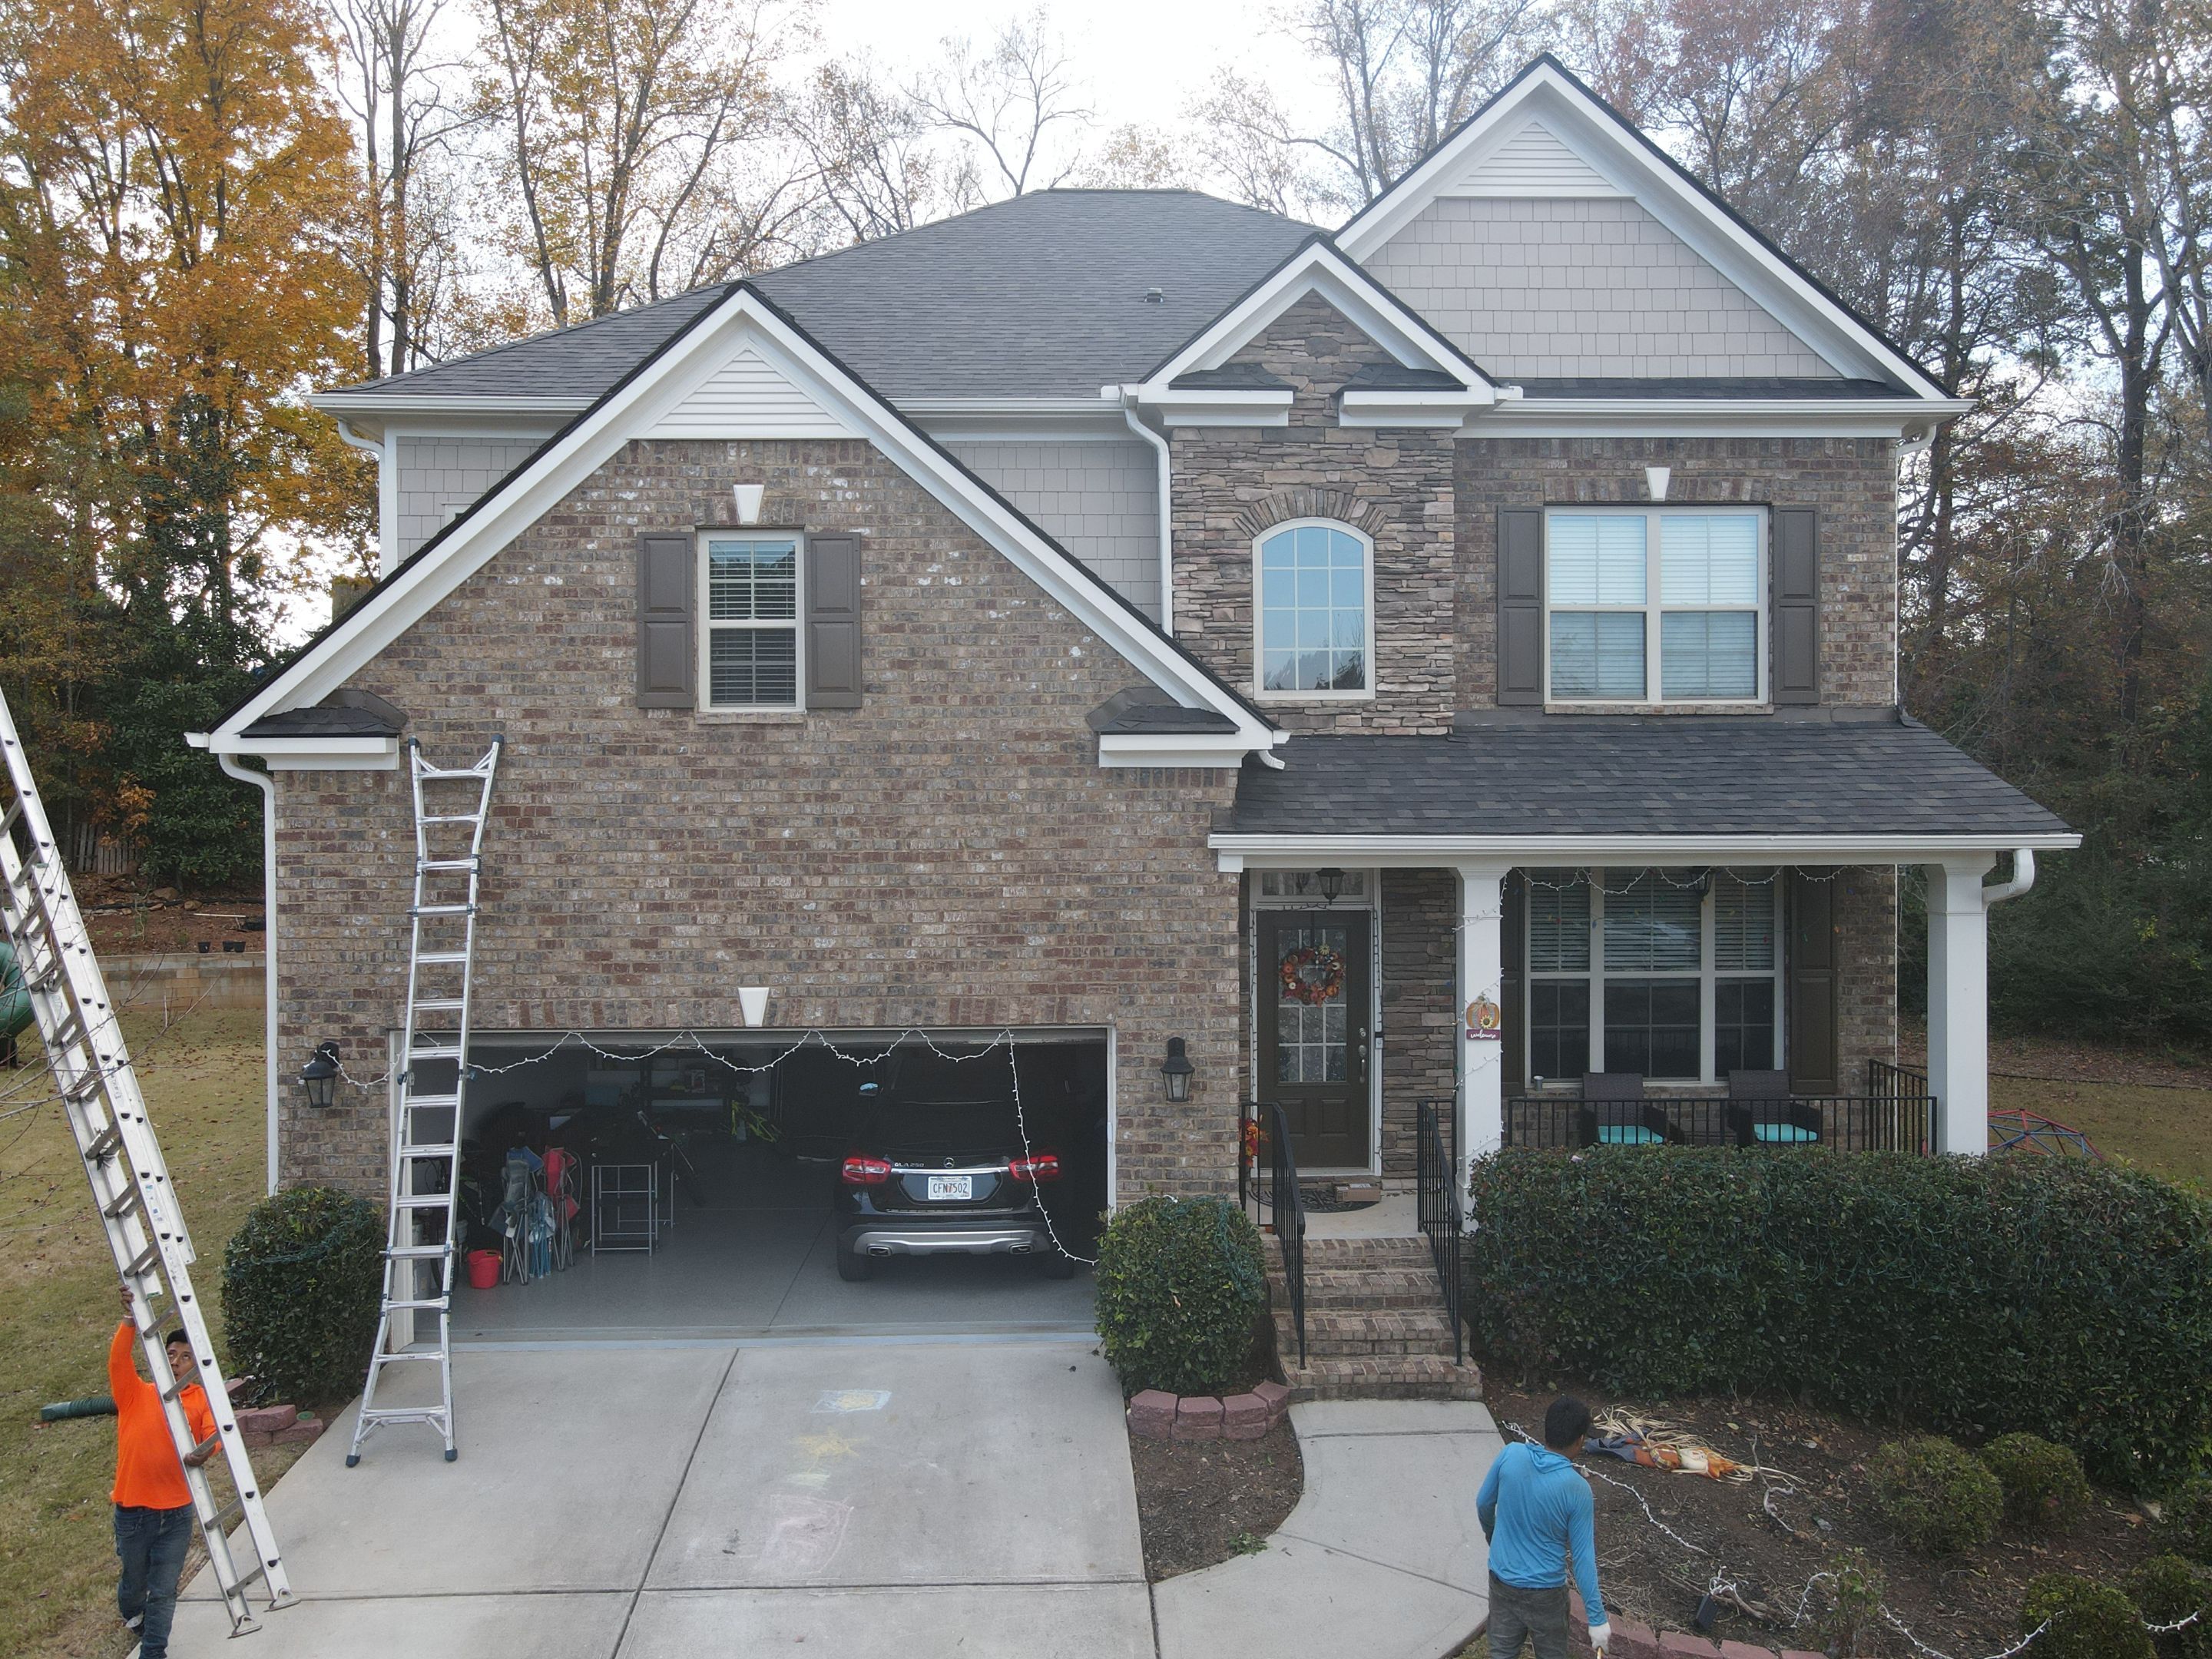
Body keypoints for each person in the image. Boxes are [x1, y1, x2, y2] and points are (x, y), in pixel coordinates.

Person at [110, 1285, 214, 1659]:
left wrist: (204, 1452)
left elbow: (213, 1437)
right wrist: (129, 1322)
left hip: (177, 1512)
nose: (177, 1361)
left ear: (195, 1366)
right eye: (171, 1354)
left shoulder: (201, 1399)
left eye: (186, 1357)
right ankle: (131, 1611)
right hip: (134, 1511)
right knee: (135, 1580)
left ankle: (153, 1651)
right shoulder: (137, 1393)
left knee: (165, 1587)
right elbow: (118, 1362)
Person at [1476, 1395, 1610, 1658]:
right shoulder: (1577, 1489)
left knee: (1502, 1652)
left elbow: (1483, 1503)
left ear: (1546, 1428)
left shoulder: (1511, 1454)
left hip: (1502, 1581)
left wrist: (1493, 1535)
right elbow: (1583, 1560)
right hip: (1546, 1593)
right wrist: (1596, 1619)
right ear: (1580, 1440)